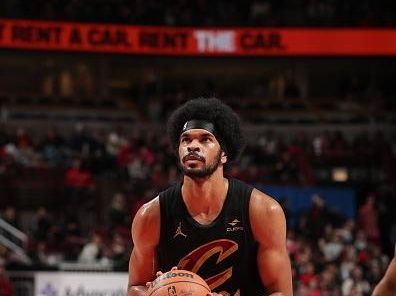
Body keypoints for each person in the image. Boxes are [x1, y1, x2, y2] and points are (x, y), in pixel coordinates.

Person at [128, 98, 292, 296]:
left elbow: (280, 292)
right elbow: (134, 287)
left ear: (223, 154)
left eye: (205, 139)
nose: (193, 146)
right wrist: (158, 292)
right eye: (186, 140)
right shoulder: (151, 215)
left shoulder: (262, 211)